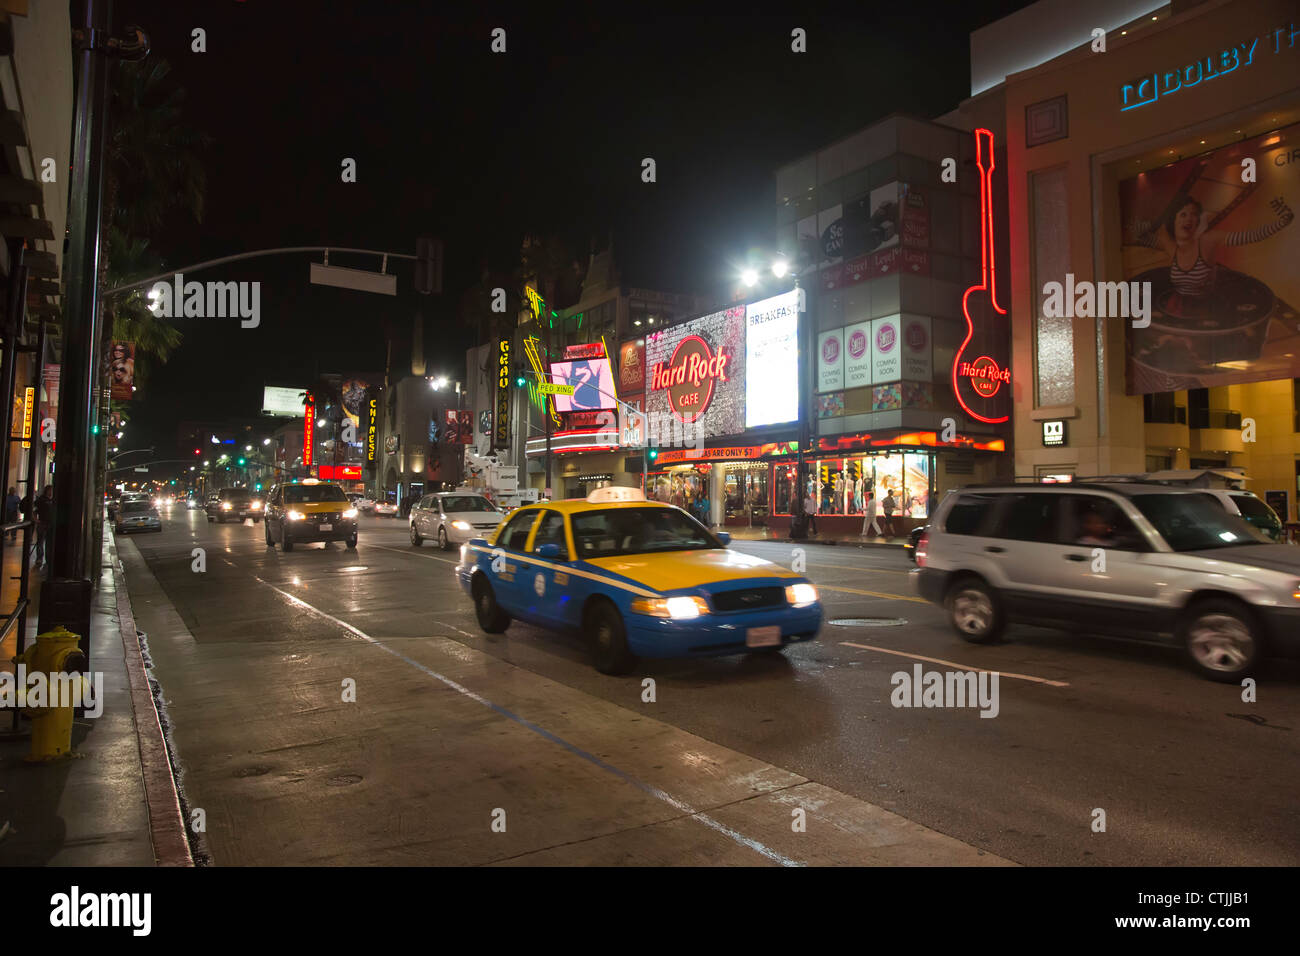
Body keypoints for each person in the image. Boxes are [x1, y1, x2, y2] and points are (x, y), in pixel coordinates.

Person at [33, 484, 53, 569]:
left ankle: (48, 559)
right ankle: (39, 558)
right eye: (50, 490)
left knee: (49, 542)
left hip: (50, 524)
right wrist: (36, 520)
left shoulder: (53, 500)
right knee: (40, 542)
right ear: (47, 490)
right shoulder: (41, 500)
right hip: (42, 523)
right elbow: (34, 510)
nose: (51, 492)